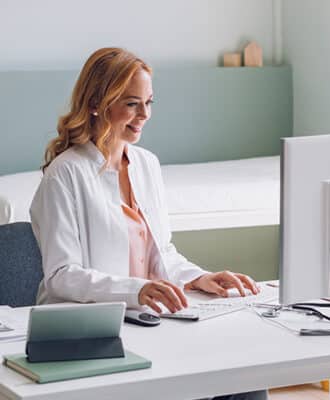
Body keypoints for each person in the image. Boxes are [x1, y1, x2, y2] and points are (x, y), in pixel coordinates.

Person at [30, 47, 267, 400]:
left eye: (149, 102)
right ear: (97, 102)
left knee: (244, 381)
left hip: (145, 322)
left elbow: (162, 254)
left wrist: (200, 277)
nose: (144, 115)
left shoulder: (146, 164)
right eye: (131, 104)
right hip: (89, 333)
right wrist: (136, 290)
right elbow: (63, 275)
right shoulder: (65, 174)